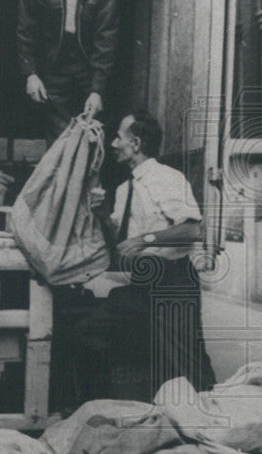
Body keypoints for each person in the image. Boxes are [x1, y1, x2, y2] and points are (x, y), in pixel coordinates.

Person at [55, 110, 217, 403]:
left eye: (119, 137)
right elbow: (120, 243)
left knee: (185, 365)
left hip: (172, 280)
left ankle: (208, 420)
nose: (114, 144)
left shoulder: (167, 178)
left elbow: (194, 229)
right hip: (140, 284)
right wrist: (100, 213)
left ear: (136, 143)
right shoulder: (123, 189)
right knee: (87, 333)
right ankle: (103, 410)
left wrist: (146, 240)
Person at [17, 0, 119, 141]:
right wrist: (30, 74)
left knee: (91, 138)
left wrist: (97, 90)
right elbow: (26, 25)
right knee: (59, 140)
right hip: (52, 63)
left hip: (88, 66)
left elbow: (106, 38)